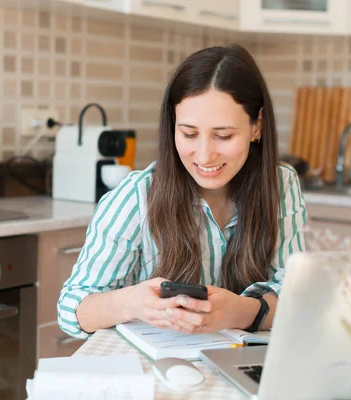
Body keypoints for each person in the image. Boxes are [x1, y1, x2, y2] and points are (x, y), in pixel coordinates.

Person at [58, 44, 307, 339]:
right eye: (189, 133)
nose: (204, 155)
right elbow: (71, 311)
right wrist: (133, 302)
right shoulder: (137, 196)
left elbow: (298, 296)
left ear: (257, 126)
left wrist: (240, 311)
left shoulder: (281, 184)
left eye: (223, 135)